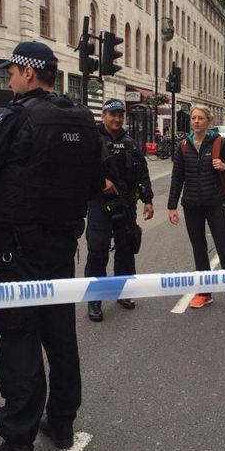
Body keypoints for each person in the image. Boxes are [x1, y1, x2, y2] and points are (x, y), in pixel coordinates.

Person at [0, 41, 103, 451]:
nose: (8, 78)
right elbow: (95, 180)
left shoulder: (12, 117)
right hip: (62, 243)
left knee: (19, 334)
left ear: (28, 72)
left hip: (18, 248)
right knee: (59, 332)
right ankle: (61, 422)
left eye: (11, 72)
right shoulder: (81, 118)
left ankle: (18, 442)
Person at [167, 104, 225, 318]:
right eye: (193, 118)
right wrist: (171, 206)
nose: (196, 121)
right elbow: (177, 177)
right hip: (191, 205)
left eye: (200, 118)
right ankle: (205, 293)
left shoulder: (220, 143)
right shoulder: (184, 146)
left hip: (215, 204)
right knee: (199, 250)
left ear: (208, 122)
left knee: (224, 250)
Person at [85, 99, 154, 322]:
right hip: (100, 204)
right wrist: (99, 181)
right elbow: (79, 169)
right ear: (103, 116)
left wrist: (148, 199)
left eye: (120, 115)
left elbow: (142, 173)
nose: (117, 119)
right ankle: (95, 299)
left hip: (126, 204)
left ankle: (124, 292)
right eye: (112, 114)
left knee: (126, 249)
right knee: (98, 250)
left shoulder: (131, 143)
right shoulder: (92, 142)